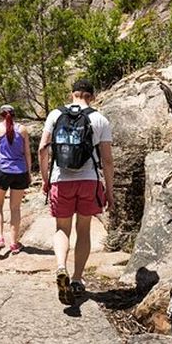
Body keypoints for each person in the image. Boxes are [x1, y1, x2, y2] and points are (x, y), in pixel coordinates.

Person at [38, 79, 115, 305]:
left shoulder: (55, 115)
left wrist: (45, 179)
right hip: (89, 181)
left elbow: (43, 149)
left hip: (61, 180)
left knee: (62, 229)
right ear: (91, 96)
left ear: (72, 94)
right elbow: (108, 160)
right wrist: (109, 190)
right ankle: (78, 279)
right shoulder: (99, 119)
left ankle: (61, 266)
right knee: (83, 230)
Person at [0, 104, 32, 254]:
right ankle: (14, 243)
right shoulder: (23, 130)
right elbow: (27, 153)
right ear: (14, 115)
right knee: (15, 208)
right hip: (20, 171)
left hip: (2, 170)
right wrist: (29, 172)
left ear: (0, 115)